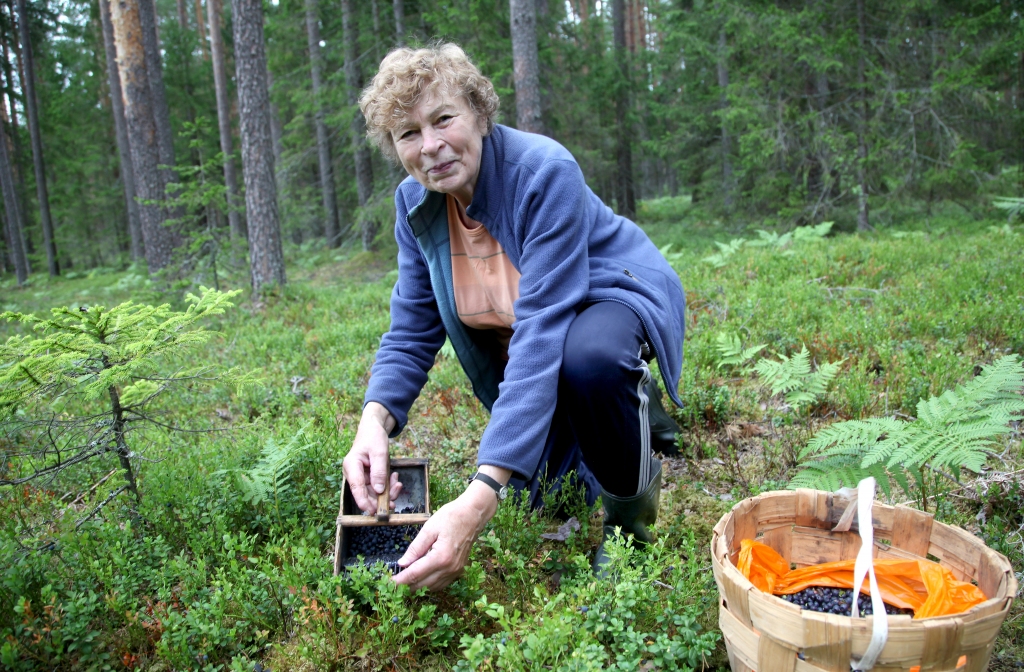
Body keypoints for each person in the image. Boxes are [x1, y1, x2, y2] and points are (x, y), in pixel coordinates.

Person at [342, 43, 686, 592]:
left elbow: (543, 329)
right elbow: (410, 330)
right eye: (408, 134)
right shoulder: (415, 206)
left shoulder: (543, 172)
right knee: (547, 489)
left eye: (443, 119)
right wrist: (372, 422)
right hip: (536, 332)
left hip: (610, 291)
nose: (430, 146)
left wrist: (481, 493)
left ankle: (630, 534)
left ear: (479, 114)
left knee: (589, 359)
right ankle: (628, 404)